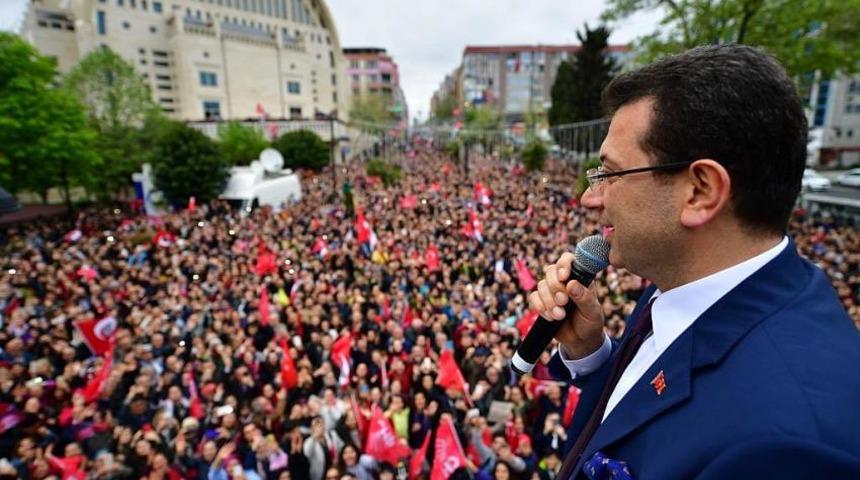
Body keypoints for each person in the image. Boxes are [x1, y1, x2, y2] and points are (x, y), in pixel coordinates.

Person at [529, 44, 860, 479]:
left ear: (700, 191)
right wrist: (590, 355)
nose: (589, 197)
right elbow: (641, 420)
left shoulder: (786, 447)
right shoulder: (686, 279)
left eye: (609, 174)